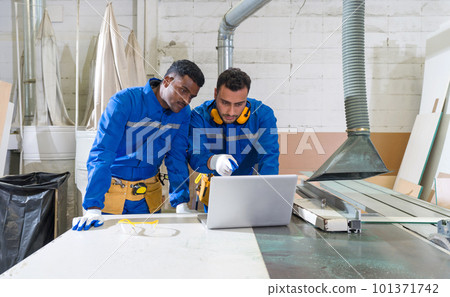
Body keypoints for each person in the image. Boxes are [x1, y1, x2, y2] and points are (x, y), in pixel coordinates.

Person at [72, 59, 205, 231]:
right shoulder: (125, 102)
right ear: (167, 81)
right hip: (110, 196)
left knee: (148, 253)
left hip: (149, 198)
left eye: (191, 96)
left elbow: (177, 157)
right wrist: (93, 207)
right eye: (183, 91)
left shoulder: (183, 113)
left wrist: (181, 203)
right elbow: (103, 152)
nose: (187, 100)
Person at [188, 68, 279, 210]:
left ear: (247, 97)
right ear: (215, 93)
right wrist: (214, 161)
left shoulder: (262, 115)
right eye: (225, 103)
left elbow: (269, 159)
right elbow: (195, 155)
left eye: (238, 104)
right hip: (214, 190)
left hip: (250, 190)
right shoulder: (199, 116)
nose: (231, 112)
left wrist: (266, 197)